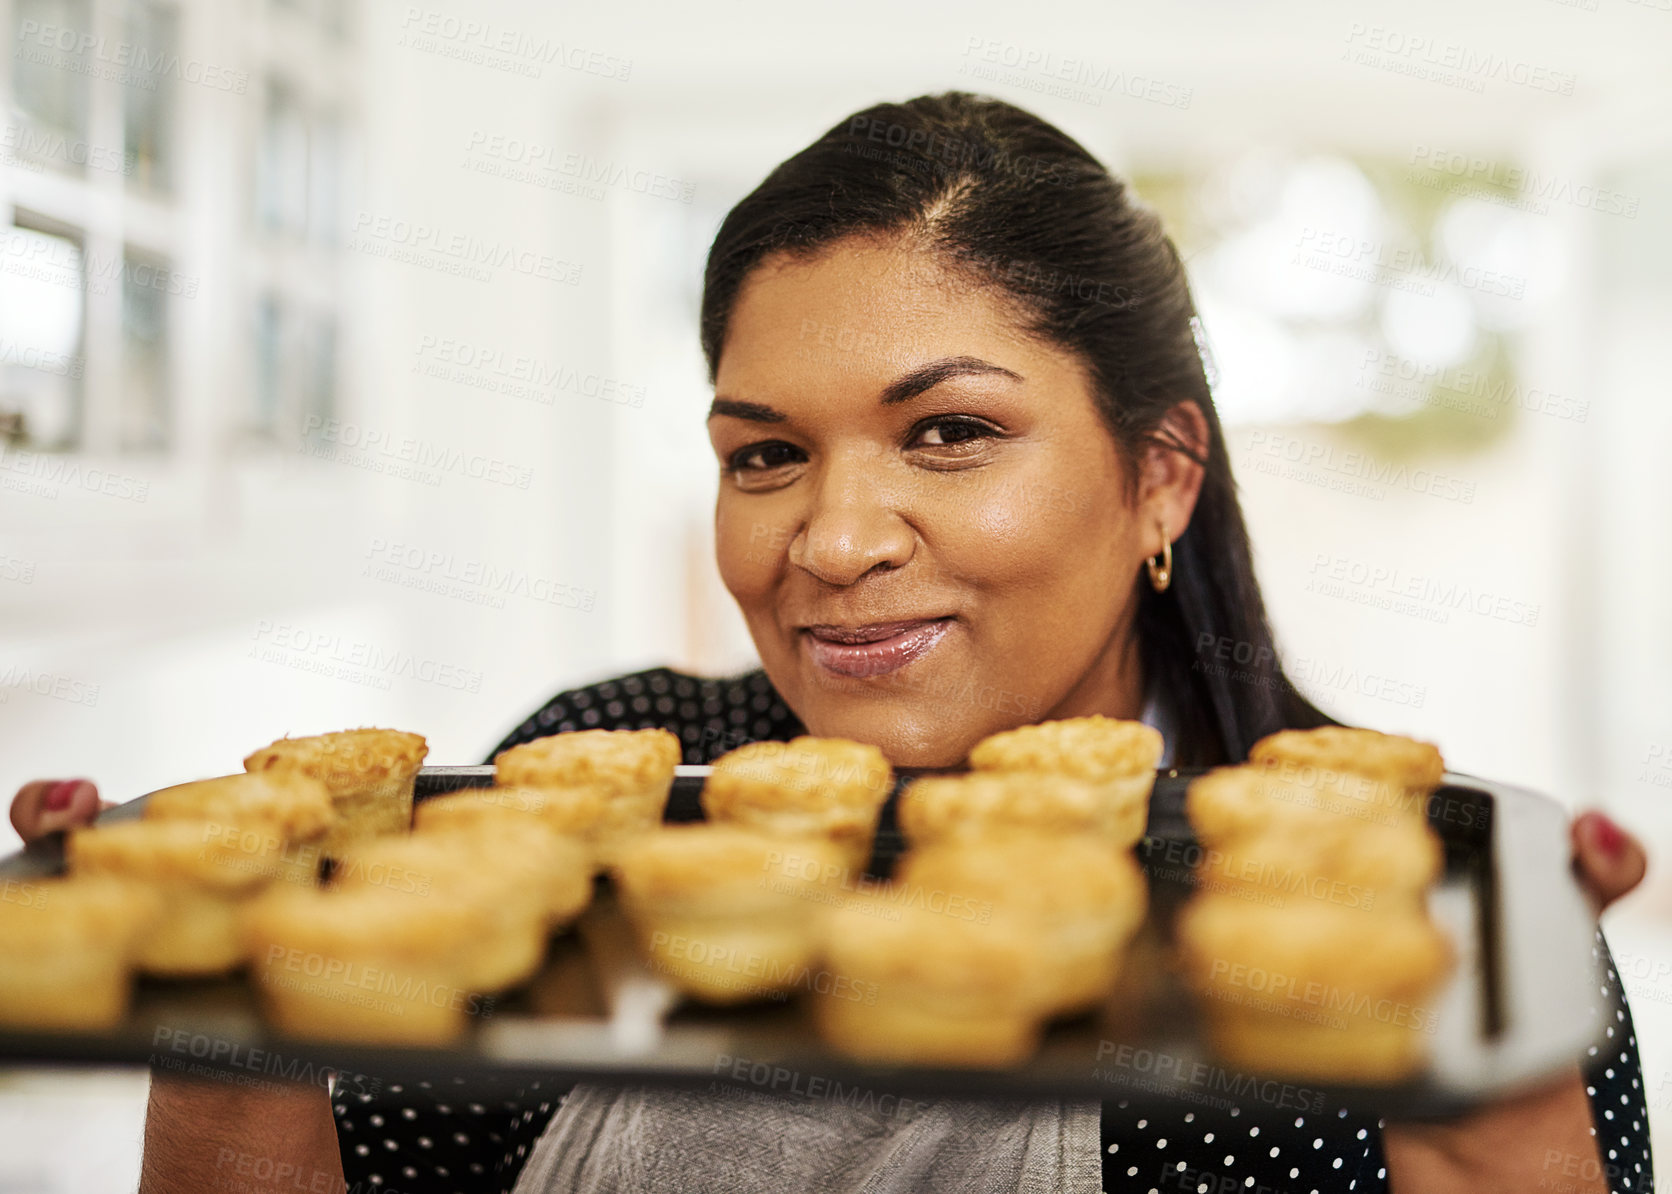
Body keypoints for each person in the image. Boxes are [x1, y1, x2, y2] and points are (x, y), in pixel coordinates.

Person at [11, 92, 1653, 1194]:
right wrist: (217, 998)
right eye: (764, 453)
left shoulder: (1390, 921)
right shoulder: (590, 796)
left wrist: (1498, 1123)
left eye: (945, 432)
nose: (833, 539)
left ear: (1160, 471)